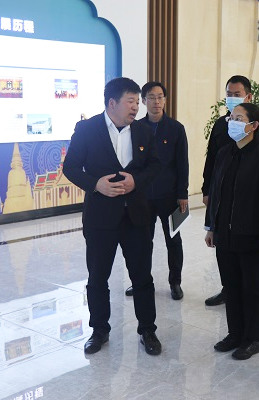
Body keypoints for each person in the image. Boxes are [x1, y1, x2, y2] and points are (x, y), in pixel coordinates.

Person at [63, 77, 163, 356]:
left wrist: (136, 181)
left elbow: (155, 165)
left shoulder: (143, 131)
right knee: (98, 277)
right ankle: (99, 330)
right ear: (112, 103)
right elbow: (70, 168)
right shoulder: (87, 129)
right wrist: (96, 184)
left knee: (142, 277)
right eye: (130, 102)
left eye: (137, 102)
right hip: (100, 218)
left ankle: (148, 330)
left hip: (136, 217)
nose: (136, 107)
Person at [204, 102, 259, 360]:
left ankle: (252, 338)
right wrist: (211, 227)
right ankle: (235, 333)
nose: (233, 122)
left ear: (253, 125)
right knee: (231, 285)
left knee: (252, 288)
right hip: (224, 234)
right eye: (232, 118)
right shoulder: (224, 153)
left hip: (251, 234)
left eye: (239, 118)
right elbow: (215, 192)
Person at [202, 75, 259, 307]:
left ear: (248, 96)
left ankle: (255, 290)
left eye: (237, 94)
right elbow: (211, 159)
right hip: (224, 197)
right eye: (229, 94)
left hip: (250, 201)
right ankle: (229, 289)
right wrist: (207, 189)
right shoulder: (221, 124)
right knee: (227, 258)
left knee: (251, 268)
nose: (231, 98)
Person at [123, 81, 189, 300]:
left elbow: (182, 163)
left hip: (170, 195)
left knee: (174, 240)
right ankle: (141, 281)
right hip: (142, 195)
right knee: (142, 241)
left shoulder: (176, 128)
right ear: (143, 101)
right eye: (151, 97)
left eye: (160, 97)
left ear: (165, 100)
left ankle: (175, 282)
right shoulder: (135, 128)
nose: (156, 101)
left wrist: (183, 194)